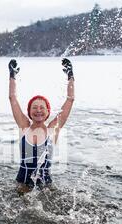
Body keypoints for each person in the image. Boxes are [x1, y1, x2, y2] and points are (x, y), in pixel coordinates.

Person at [8, 58, 75, 190]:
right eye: (34, 107)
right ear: (29, 112)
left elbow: (70, 100)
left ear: (47, 112)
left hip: (45, 187)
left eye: (42, 108)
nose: (38, 110)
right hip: (22, 184)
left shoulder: (53, 129)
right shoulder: (24, 127)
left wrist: (70, 76)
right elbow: (12, 98)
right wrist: (12, 76)